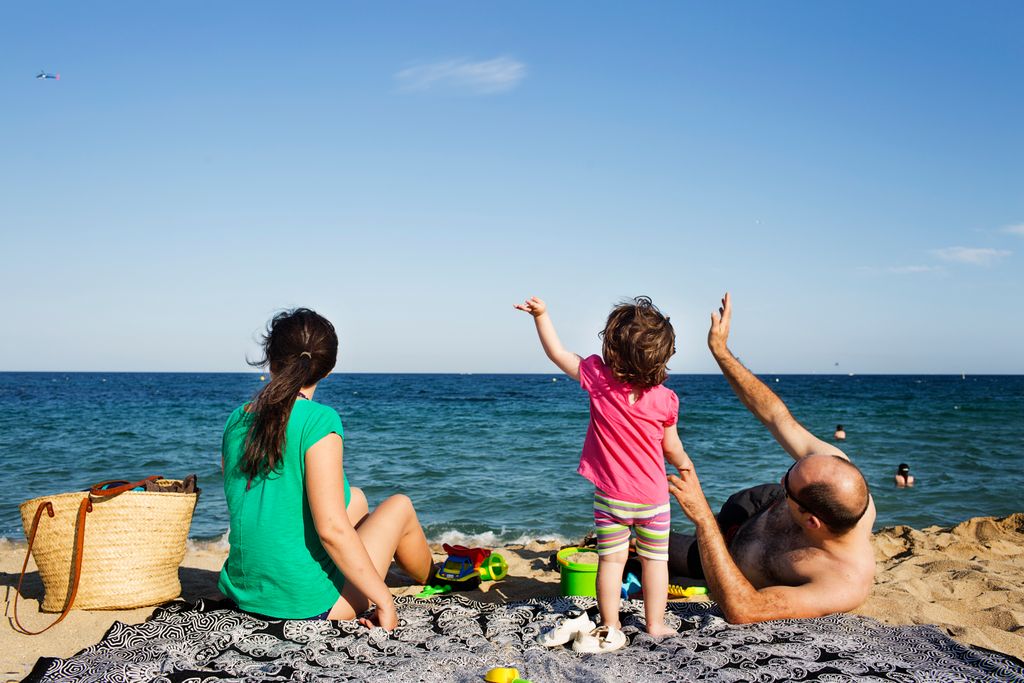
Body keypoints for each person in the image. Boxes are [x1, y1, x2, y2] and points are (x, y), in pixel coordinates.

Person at [667, 293, 876, 623]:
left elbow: (745, 609)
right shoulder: (837, 469)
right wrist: (721, 352)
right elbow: (776, 416)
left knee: (656, 547)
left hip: (729, 555)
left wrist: (703, 519)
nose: (783, 477)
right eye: (793, 468)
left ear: (812, 522)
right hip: (754, 508)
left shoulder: (844, 581)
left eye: (789, 482)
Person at [218, 308, 433, 629]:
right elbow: (331, 531)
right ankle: (433, 574)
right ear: (328, 369)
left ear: (270, 358)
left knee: (356, 498)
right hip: (310, 605)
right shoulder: (319, 420)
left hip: (244, 594)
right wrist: (385, 601)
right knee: (399, 506)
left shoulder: (238, 418)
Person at [516, 296, 690, 650]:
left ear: (613, 348)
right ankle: (655, 624)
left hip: (611, 498)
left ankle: (611, 624)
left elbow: (558, 354)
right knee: (656, 563)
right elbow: (671, 448)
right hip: (654, 500)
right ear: (662, 357)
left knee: (611, 562)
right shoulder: (665, 399)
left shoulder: (598, 379)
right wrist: (685, 466)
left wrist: (542, 316)